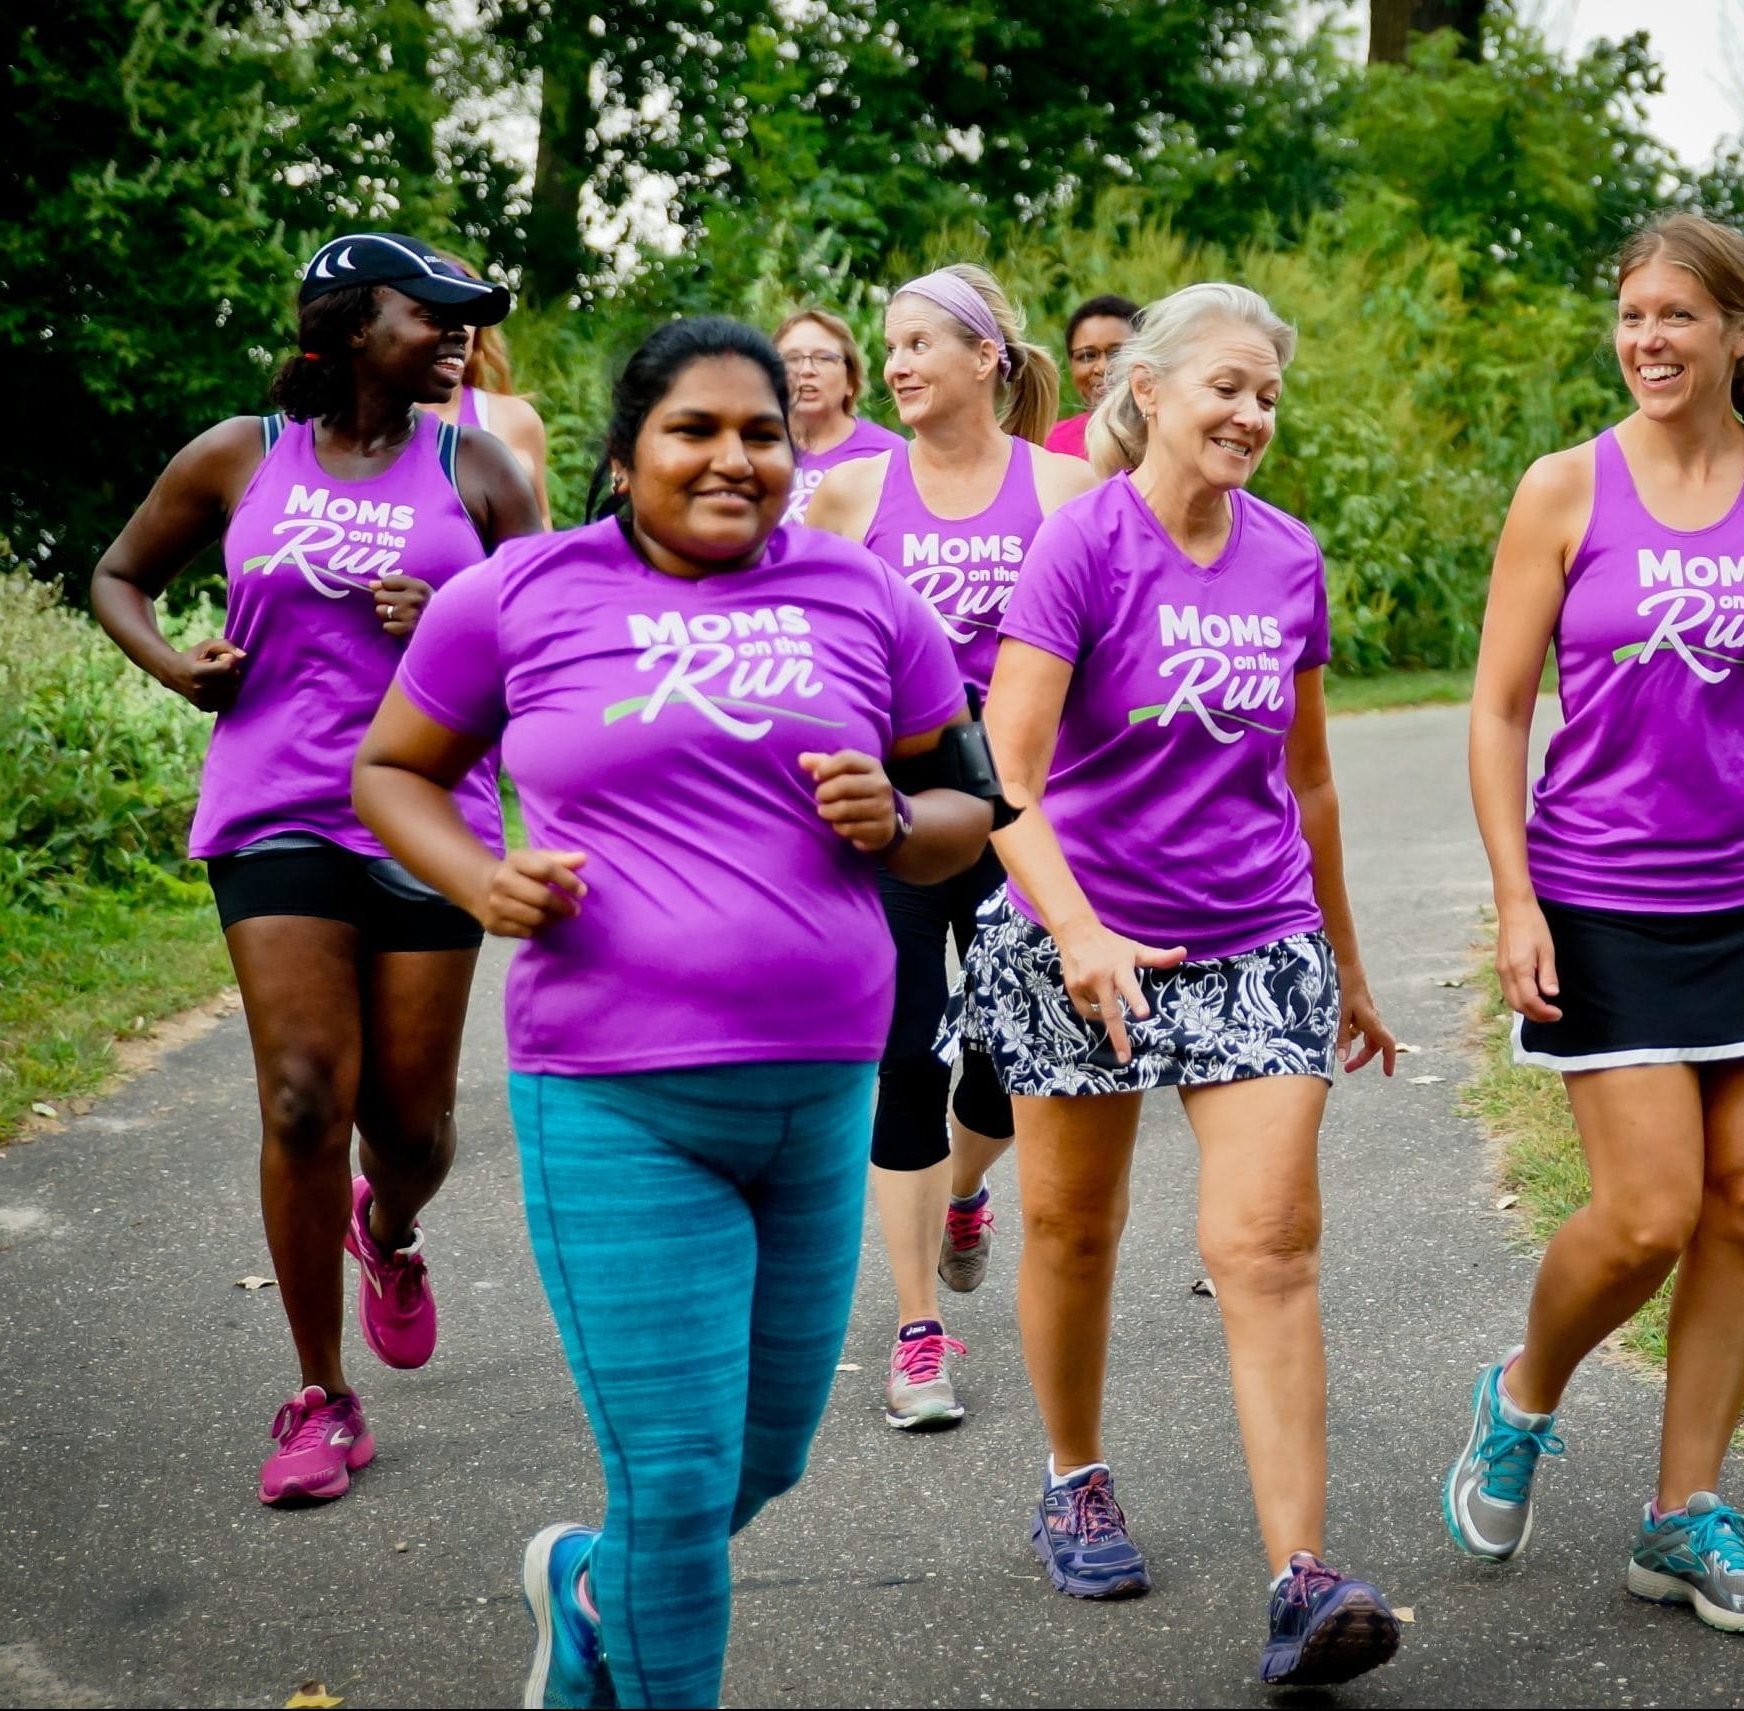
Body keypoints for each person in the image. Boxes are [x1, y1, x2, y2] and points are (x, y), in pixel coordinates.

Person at [350, 316, 990, 1709]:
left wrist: (900, 817)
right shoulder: (519, 593)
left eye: (761, 431)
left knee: (764, 1458)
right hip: (614, 1095)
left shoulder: (863, 595)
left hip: (820, 1094)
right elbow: (393, 768)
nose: (733, 457)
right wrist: (479, 873)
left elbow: (966, 807)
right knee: (683, 1478)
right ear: (629, 451)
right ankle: (632, 1637)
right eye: (693, 430)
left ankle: (589, 1589)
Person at [1445, 212, 1744, 1634]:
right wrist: (1516, 892)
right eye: (1633, 314)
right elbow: (1500, 706)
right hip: (1605, 901)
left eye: (1678, 317)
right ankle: (1522, 1393)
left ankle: (1680, 1512)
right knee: (1649, 1211)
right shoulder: (1565, 487)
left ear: (1741, 330)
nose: (1648, 339)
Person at [957, 282, 1402, 1688]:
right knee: (1074, 1228)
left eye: (1269, 395)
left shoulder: (1288, 556)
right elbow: (1002, 776)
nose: (1252, 415)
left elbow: (1310, 774)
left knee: (1265, 1241)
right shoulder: (1080, 543)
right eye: (1227, 387)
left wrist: (1345, 958)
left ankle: (1302, 1577)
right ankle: (1074, 1474)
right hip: (1080, 933)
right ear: (1143, 388)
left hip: (1253, 930)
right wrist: (1078, 930)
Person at [89, 232, 544, 1506]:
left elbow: (555, 650)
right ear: (351, 327)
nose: (457, 334)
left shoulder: (484, 469)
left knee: (412, 1125)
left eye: (468, 319)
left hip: (427, 818)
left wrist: (456, 631)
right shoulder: (241, 457)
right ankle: (320, 1394)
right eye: (431, 312)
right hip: (275, 806)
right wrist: (177, 665)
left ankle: (388, 1230)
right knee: (301, 1095)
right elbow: (119, 573)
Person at [807, 264, 1095, 1430]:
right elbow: (813, 645)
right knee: (906, 1058)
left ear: (986, 357)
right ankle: (919, 1331)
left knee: (1004, 1057)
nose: (900, 364)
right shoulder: (849, 495)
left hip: (1027, 804)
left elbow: (1105, 651)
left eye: (924, 342)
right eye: (891, 346)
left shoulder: (1069, 486)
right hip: (906, 806)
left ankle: (967, 1190)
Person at [421, 251, 555, 526]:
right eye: (438, 314)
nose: (457, 330)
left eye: (466, 314)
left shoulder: (516, 419)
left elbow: (541, 521)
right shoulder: (366, 420)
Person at [774, 308, 902, 523]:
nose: (806, 370)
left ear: (851, 380)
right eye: (792, 358)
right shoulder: (753, 449)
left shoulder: (890, 455)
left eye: (824, 358)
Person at [1042, 293, 1139, 458]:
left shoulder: (1167, 435)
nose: (1103, 367)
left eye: (1117, 353)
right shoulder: (1049, 445)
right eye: (1087, 356)